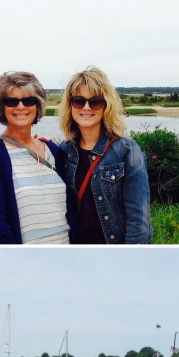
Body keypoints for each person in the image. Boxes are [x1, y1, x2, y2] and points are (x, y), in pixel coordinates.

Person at [56, 67, 151, 244]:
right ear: (70, 105)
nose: (86, 107)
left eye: (95, 102)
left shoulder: (126, 151)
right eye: (78, 101)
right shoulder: (64, 151)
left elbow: (139, 221)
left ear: (106, 105)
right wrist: (40, 146)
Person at [0, 72, 70, 244]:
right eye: (12, 101)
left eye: (28, 100)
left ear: (38, 105)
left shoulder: (53, 150)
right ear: (1, 107)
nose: (21, 107)